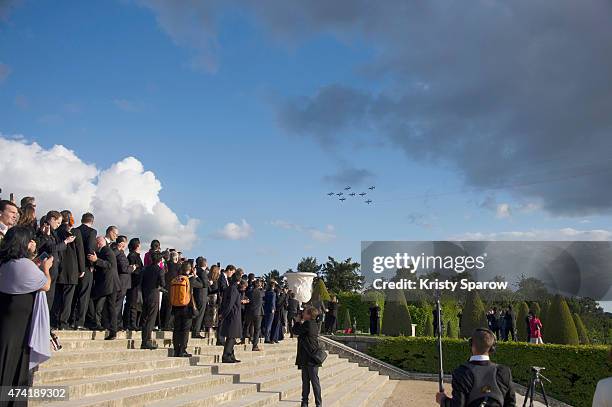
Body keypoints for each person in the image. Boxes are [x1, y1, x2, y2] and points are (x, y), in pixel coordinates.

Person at [0, 226, 53, 393]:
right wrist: (45, 268)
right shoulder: (24, 265)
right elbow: (45, 284)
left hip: (8, 318)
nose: (34, 243)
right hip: (20, 325)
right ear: (23, 242)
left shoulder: (6, 263)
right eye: (30, 240)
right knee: (14, 365)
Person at [436, 328, 516, 407]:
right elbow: (511, 403)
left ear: (471, 344)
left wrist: (443, 400)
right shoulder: (504, 372)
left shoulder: (462, 372)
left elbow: (458, 405)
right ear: (492, 348)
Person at [52, 210, 86, 330]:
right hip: (71, 269)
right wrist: (82, 268)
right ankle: (63, 322)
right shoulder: (75, 232)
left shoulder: (55, 231)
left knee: (57, 296)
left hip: (58, 266)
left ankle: (54, 321)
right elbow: (80, 251)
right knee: (68, 298)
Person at [37, 211, 75, 313]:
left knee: (50, 298)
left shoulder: (53, 232)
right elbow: (51, 248)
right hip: (47, 267)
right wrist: (66, 242)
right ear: (52, 219)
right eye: (58, 222)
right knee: (47, 297)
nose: (58, 225)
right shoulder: (44, 230)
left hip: (53, 268)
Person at [88, 236, 119, 340]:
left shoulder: (107, 251)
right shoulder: (104, 251)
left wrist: (97, 260)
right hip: (109, 284)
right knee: (110, 308)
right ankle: (111, 330)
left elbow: (109, 265)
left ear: (98, 243)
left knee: (107, 306)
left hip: (109, 284)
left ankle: (110, 330)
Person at [293, 306, 323, 407]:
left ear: (309, 315)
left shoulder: (308, 323)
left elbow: (296, 331)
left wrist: (297, 321)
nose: (302, 314)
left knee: (310, 382)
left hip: (310, 358)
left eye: (304, 313)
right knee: (310, 382)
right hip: (308, 357)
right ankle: (308, 402)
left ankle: (309, 402)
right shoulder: (314, 323)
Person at [71, 213, 97, 330]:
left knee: (73, 294)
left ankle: (71, 320)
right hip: (86, 267)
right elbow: (90, 249)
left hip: (73, 266)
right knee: (84, 295)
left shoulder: (74, 230)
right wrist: (92, 264)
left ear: (81, 220)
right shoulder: (92, 232)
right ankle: (80, 322)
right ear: (92, 221)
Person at [219, 269, 247, 363]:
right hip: (233, 315)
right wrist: (223, 314)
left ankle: (231, 355)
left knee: (232, 336)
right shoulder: (233, 289)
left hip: (233, 314)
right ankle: (226, 355)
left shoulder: (232, 288)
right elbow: (230, 304)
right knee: (231, 336)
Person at [139, 251, 165, 350]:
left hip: (145, 294)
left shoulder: (145, 269)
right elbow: (162, 283)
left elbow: (141, 282)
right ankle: (147, 341)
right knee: (151, 319)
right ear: (160, 260)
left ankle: (143, 341)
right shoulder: (159, 270)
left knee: (145, 318)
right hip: (154, 295)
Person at [171, 262, 197, 357]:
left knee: (177, 328)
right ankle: (182, 349)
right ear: (189, 269)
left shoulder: (175, 279)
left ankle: (176, 349)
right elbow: (202, 284)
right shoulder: (190, 279)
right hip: (186, 306)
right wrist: (194, 275)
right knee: (185, 329)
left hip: (176, 306)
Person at [112, 235, 131, 330]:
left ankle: (118, 324)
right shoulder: (116, 251)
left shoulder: (121, 252)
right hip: (121, 281)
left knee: (119, 305)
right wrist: (132, 268)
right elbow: (124, 268)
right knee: (117, 305)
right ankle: (113, 325)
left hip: (123, 282)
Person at [124, 238, 143, 330]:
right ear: (137, 246)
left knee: (133, 303)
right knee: (131, 303)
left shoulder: (135, 255)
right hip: (133, 283)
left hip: (135, 283)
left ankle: (132, 323)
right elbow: (133, 270)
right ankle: (130, 323)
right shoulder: (132, 256)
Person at [191, 257, 209, 338]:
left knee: (196, 314)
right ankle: (196, 332)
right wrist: (209, 283)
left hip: (196, 295)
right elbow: (205, 284)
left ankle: (194, 330)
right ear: (205, 263)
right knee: (199, 315)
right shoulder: (202, 272)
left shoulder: (196, 270)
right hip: (202, 296)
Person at [161, 251, 179, 330]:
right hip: (173, 288)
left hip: (165, 287)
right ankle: (167, 325)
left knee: (164, 307)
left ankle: (161, 324)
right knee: (170, 308)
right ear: (176, 258)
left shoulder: (166, 264)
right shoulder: (177, 266)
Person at [244, 279, 264, 350]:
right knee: (257, 329)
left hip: (250, 312)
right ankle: (255, 345)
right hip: (258, 313)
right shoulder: (261, 292)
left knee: (247, 325)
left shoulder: (249, 292)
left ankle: (243, 340)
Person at [205, 265, 221, 337]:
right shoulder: (214, 280)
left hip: (210, 297)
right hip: (213, 297)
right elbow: (212, 290)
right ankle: (210, 327)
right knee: (213, 313)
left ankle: (209, 327)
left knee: (210, 313)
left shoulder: (210, 278)